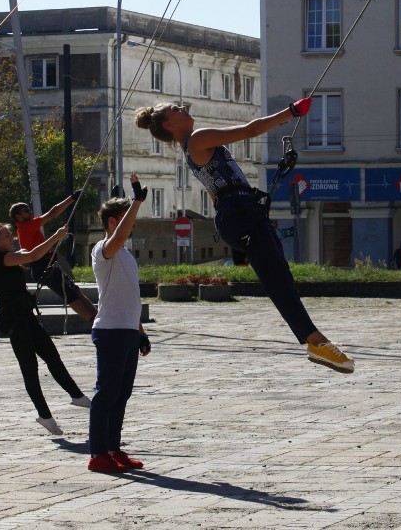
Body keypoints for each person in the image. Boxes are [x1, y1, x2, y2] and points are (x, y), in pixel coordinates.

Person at [134, 99, 354, 373]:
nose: (182, 108)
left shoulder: (190, 149)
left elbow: (214, 192)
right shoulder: (198, 139)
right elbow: (251, 130)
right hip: (239, 213)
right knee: (278, 280)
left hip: (240, 212)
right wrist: (292, 111)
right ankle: (316, 342)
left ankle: (315, 341)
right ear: (169, 124)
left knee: (281, 276)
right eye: (175, 109)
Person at [0, 222, 91, 436]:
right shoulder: (1, 259)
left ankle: (76, 396)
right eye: (5, 235)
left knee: (52, 356)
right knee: (30, 370)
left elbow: (32, 254)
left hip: (26, 317)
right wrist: (56, 237)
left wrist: (47, 247)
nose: (10, 237)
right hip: (14, 320)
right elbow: (31, 256)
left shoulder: (11, 255)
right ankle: (45, 416)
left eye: (10, 233)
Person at [87, 174, 152, 473]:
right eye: (126, 218)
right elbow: (121, 236)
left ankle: (113, 448)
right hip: (110, 331)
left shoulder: (125, 255)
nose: (132, 223)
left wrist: (140, 331)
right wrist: (137, 201)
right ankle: (97, 454)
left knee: (121, 394)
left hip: (127, 330)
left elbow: (131, 297)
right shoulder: (103, 251)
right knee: (107, 393)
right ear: (113, 221)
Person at [9, 194, 97, 323]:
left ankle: (99, 318)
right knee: (70, 295)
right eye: (26, 210)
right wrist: (71, 199)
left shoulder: (27, 226)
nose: (30, 211)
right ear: (19, 216)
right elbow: (53, 213)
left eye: (29, 208)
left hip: (47, 264)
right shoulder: (27, 226)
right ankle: (94, 321)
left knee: (75, 290)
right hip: (42, 266)